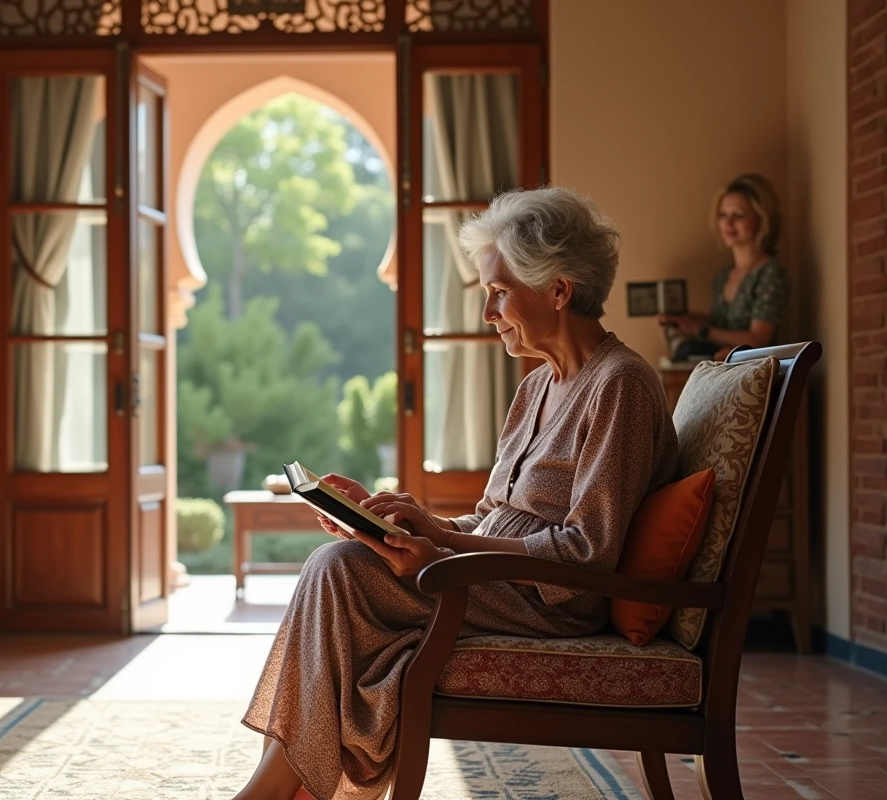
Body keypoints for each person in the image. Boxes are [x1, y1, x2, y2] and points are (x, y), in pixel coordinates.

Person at [234, 187, 679, 800]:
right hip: (493, 577)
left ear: (557, 289)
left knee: (338, 570)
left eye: (499, 292)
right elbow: (498, 518)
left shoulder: (620, 385)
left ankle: (278, 791)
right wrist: (415, 522)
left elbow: (588, 551)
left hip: (554, 600)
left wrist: (443, 550)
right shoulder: (536, 389)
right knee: (342, 565)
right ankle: (289, 787)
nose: (489, 314)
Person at [659, 174, 789, 359]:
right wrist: (685, 320)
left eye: (738, 215)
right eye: (723, 215)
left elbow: (759, 339)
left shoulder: (770, 274)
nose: (728, 223)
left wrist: (700, 330)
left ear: (761, 219)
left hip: (757, 375)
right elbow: (723, 325)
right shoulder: (723, 276)